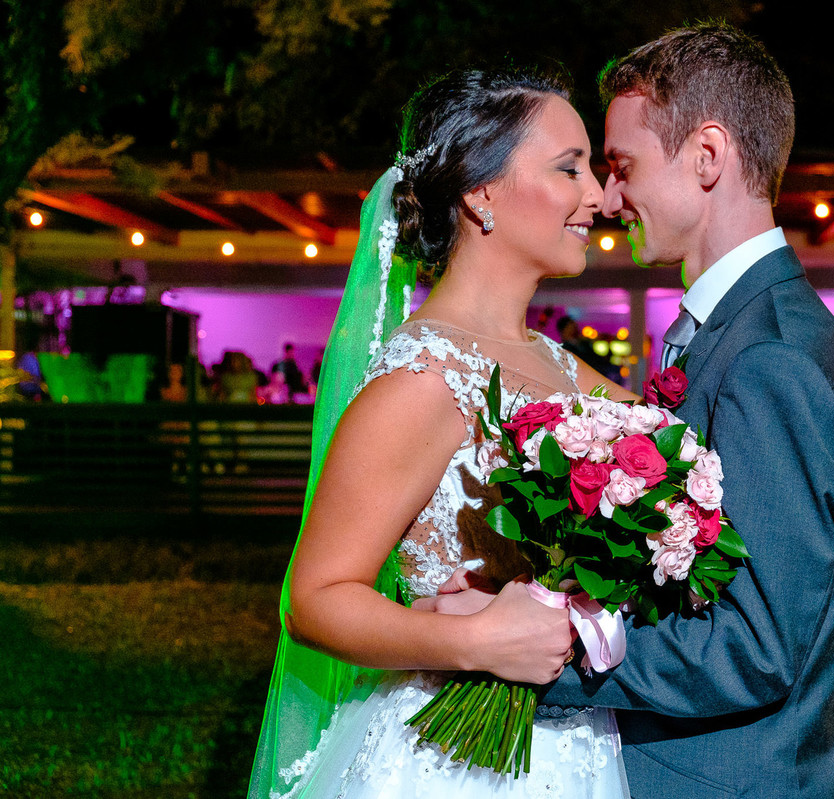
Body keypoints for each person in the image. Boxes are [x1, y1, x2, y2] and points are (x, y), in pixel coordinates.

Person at [246, 67, 635, 799]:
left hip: (577, 745)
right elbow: (316, 596)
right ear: (481, 192)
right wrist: (474, 639)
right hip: (453, 763)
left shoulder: (565, 367)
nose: (598, 196)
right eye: (569, 168)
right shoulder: (422, 379)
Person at [539, 24, 834, 798]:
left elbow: (753, 645)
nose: (609, 198)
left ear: (708, 156)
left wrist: (549, 653)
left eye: (623, 167)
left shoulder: (769, 358)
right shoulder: (744, 332)